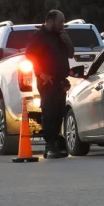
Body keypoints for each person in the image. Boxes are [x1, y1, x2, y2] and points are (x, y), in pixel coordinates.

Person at [26, 10, 74, 160]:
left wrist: (68, 41)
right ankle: (50, 144)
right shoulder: (39, 37)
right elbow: (30, 55)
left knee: (59, 111)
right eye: (60, 22)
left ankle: (54, 143)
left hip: (60, 80)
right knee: (49, 111)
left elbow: (71, 54)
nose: (63, 25)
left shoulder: (60, 36)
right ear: (50, 21)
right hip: (46, 80)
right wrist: (41, 73)